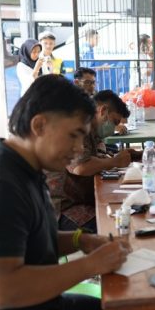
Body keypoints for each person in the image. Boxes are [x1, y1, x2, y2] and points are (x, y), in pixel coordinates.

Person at [0, 75, 129, 310]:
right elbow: (1, 290)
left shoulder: (24, 168)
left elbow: (29, 239)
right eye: (74, 135)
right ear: (39, 125)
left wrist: (82, 240)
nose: (79, 148)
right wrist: (91, 264)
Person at [45, 89, 136, 232]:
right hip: (62, 207)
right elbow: (81, 167)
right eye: (115, 121)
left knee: (124, 211)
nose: (114, 128)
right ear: (103, 110)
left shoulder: (92, 129)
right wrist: (114, 162)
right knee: (114, 225)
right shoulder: (79, 127)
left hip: (78, 198)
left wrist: (109, 159)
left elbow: (97, 151)